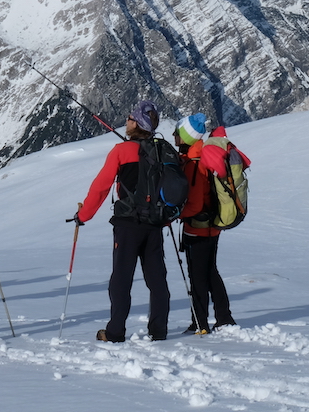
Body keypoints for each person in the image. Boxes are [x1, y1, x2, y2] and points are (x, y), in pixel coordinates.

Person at [74, 100, 170, 343]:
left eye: (129, 117)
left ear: (137, 123)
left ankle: (115, 331)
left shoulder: (121, 151)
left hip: (128, 223)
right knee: (156, 279)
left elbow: (101, 187)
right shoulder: (162, 150)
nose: (125, 121)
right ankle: (159, 330)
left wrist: (83, 215)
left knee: (121, 280)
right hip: (155, 223)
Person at [176, 114, 237, 333]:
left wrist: (176, 215)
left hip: (197, 228)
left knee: (197, 274)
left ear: (185, 138)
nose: (175, 137)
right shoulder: (206, 155)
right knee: (210, 270)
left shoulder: (194, 164)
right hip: (214, 227)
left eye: (177, 133)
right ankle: (224, 316)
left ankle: (199, 322)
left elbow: (194, 203)